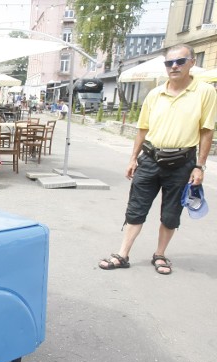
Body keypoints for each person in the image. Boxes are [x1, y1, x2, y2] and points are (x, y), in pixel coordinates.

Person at [99, 44, 216, 275]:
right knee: (136, 208)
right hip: (150, 158)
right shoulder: (154, 94)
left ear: (191, 62)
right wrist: (133, 158)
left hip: (183, 162)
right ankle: (123, 254)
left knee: (171, 213)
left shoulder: (205, 92)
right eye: (169, 62)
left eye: (180, 61)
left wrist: (199, 167)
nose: (174, 66)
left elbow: (207, 131)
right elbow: (142, 129)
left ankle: (160, 254)